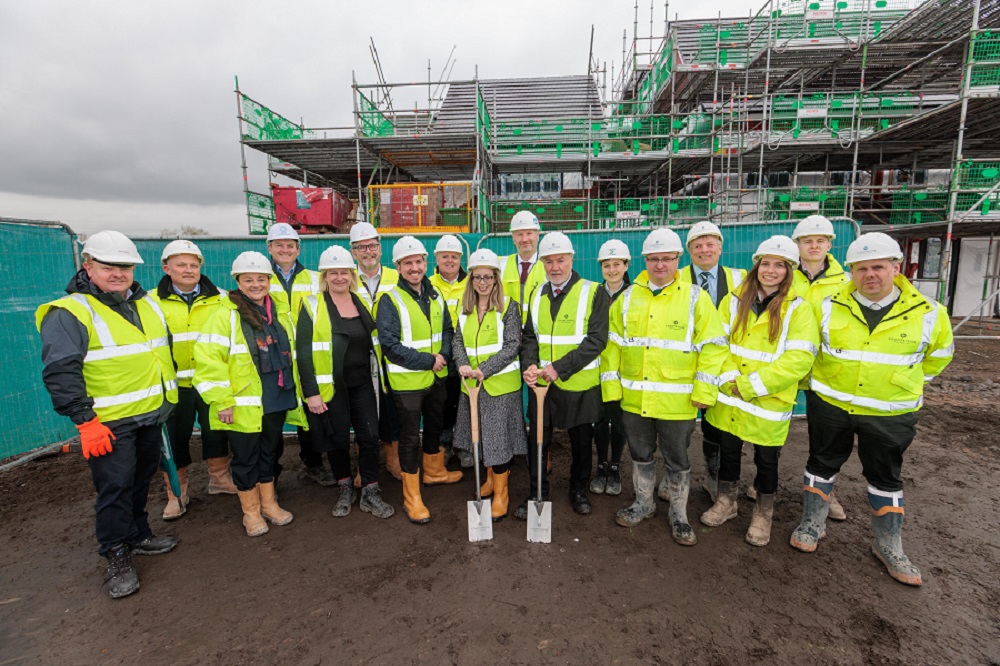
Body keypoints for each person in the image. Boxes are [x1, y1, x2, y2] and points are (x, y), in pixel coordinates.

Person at [789, 232, 953, 586]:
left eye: (878, 267)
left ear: (896, 267)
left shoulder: (928, 313)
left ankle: (888, 543)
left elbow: (938, 358)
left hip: (889, 412)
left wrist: (900, 383)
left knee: (885, 476)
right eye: (861, 269)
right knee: (820, 464)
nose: (870, 275)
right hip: (831, 404)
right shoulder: (828, 306)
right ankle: (812, 523)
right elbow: (809, 350)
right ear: (851, 271)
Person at [36, 230, 179, 599]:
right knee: (114, 488)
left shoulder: (145, 303)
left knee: (142, 477)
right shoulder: (70, 312)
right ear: (88, 266)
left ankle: (138, 534)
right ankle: (115, 553)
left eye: (125, 266)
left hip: (149, 412)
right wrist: (84, 421)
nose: (118, 273)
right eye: (108, 266)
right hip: (108, 421)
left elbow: (158, 352)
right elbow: (61, 370)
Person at [603, 228, 726, 545]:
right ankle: (643, 504)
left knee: (677, 459)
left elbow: (712, 347)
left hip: (677, 401)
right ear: (645, 260)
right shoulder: (628, 298)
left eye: (667, 259)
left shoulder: (695, 298)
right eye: (654, 259)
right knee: (640, 454)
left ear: (677, 259)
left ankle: (679, 514)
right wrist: (612, 389)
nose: (660, 265)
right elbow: (612, 345)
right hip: (635, 399)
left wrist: (704, 391)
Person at [700, 236, 819, 546]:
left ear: (789, 270)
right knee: (728, 450)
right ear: (756, 267)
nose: (770, 270)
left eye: (779, 265)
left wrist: (751, 385)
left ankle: (763, 514)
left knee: (766, 459)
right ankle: (727, 502)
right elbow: (718, 344)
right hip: (730, 394)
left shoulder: (798, 310)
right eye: (765, 263)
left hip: (767, 400)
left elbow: (799, 359)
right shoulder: (733, 300)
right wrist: (729, 380)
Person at [193, 251, 306, 537]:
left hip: (276, 395)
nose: (256, 284)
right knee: (245, 457)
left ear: (268, 280)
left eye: (261, 279)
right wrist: (221, 401)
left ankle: (269, 504)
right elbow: (208, 361)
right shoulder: (224, 315)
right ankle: (251, 513)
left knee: (269, 452)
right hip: (243, 400)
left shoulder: (279, 310)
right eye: (248, 279)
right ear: (238, 282)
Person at [296, 246, 394, 520]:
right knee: (337, 439)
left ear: (351, 275)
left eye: (344, 272)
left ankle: (371, 491)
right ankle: (344, 486)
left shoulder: (360, 300)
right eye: (333, 273)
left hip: (362, 382)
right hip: (331, 387)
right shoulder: (312, 305)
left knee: (370, 437)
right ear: (324, 276)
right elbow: (302, 353)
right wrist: (311, 393)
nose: (339, 277)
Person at [518, 231, 609, 517]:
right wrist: (529, 366)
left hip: (578, 384)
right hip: (542, 386)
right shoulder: (536, 293)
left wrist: (560, 368)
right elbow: (529, 336)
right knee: (537, 439)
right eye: (549, 261)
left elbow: (596, 340)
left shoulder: (594, 292)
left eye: (561, 260)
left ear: (571, 259)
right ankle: (536, 492)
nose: (555, 267)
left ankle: (578, 489)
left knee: (581, 441)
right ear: (542, 263)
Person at [375, 236, 460, 524]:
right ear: (398, 267)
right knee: (410, 439)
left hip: (436, 378)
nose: (414, 267)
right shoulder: (390, 300)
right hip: (408, 383)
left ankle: (434, 472)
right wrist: (429, 360)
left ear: (426, 263)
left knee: (435, 425)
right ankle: (412, 497)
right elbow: (389, 346)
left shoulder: (435, 294)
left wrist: (444, 355)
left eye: (418, 262)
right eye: (408, 263)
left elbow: (448, 329)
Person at [152, 239, 236, 522]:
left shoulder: (222, 298)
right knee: (175, 438)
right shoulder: (150, 302)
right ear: (166, 268)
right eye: (181, 265)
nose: (188, 270)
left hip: (210, 382)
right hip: (173, 386)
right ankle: (177, 493)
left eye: (193, 265)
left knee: (217, 431)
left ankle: (220, 479)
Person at [665, 221, 748, 505]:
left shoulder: (740, 278)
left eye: (710, 244)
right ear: (688, 251)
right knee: (679, 425)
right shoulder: (677, 277)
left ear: (720, 247)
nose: (704, 250)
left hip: (727, 364)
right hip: (684, 363)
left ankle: (715, 479)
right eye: (697, 245)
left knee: (719, 426)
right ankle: (673, 474)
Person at [452, 249, 528, 522]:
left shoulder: (509, 307)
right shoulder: (464, 309)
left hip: (499, 388)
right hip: (472, 387)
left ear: (496, 279)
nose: (482, 282)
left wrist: (483, 370)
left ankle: (501, 494)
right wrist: (462, 363)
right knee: (481, 438)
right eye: (477, 277)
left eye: (488, 277)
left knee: (499, 442)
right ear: (471, 280)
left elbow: (511, 346)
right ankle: (489, 480)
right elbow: (457, 341)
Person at [790, 214, 851, 520]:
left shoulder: (846, 282)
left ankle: (827, 492)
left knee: (824, 436)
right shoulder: (784, 275)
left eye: (819, 241)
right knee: (770, 429)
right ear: (797, 245)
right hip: (787, 365)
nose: (813, 246)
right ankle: (763, 483)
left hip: (825, 370)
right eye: (807, 241)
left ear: (830, 243)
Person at [264, 223, 326, 487]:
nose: (285, 249)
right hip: (273, 357)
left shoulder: (314, 279)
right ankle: (271, 474)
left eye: (290, 245)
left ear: (298, 249)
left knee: (310, 411)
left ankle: (314, 464)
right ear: (269, 248)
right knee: (273, 416)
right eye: (279, 245)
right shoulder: (261, 277)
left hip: (306, 354)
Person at [350, 221, 402, 480]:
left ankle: (393, 462)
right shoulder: (344, 278)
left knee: (392, 411)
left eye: (371, 245)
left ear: (380, 248)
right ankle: (364, 466)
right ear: (353, 252)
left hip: (391, 357)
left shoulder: (396, 276)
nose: (367, 251)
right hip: (358, 357)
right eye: (361, 247)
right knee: (363, 413)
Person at [591, 239, 631, 497]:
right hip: (597, 368)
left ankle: (615, 465)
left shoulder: (636, 294)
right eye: (607, 265)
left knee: (619, 421)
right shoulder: (595, 293)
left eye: (617, 264)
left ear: (626, 265)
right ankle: (601, 465)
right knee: (599, 420)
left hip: (624, 370)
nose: (612, 269)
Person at [429, 234, 473, 468]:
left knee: (465, 401)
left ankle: (465, 446)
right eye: (445, 256)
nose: (449, 260)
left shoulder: (472, 283)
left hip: (467, 354)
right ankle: (444, 445)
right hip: (440, 355)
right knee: (442, 403)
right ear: (437, 257)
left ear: (460, 259)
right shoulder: (428, 284)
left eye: (454, 256)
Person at [499, 211, 547, 324]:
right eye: (520, 234)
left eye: (529, 233)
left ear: (537, 235)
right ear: (513, 238)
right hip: (507, 334)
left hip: (537, 333)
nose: (525, 239)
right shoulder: (500, 265)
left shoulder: (548, 266)